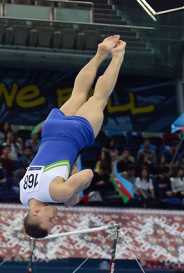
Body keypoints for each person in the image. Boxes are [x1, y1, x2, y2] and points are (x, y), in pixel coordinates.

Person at [21, 35, 126, 238]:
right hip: (50, 130)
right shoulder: (24, 195)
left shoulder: (58, 194)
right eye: (54, 223)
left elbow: (87, 175)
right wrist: (69, 178)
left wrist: (74, 193)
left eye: (49, 220)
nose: (55, 218)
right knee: (77, 93)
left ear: (36, 212)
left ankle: (117, 56)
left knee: (99, 97)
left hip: (74, 135)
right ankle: (100, 53)